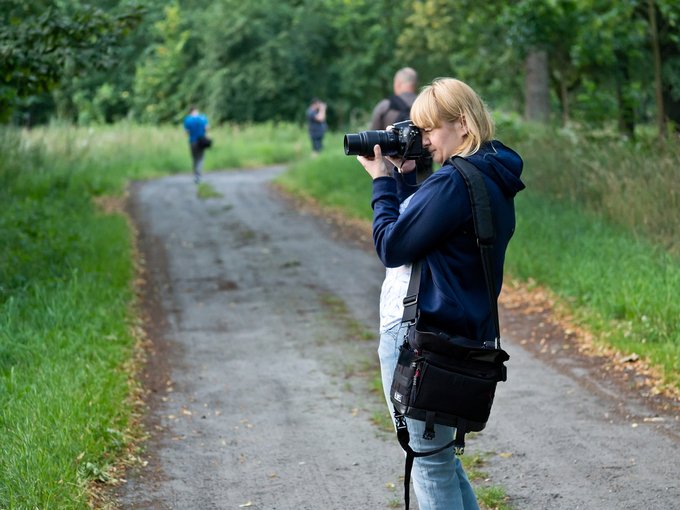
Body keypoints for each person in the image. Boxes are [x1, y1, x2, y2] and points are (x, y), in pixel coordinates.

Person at [356, 77, 525, 510]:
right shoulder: (490, 175)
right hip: (462, 334)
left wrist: (381, 181)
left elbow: (392, 246)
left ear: (463, 124)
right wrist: (406, 179)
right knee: (442, 461)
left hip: (423, 339)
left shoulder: (453, 180)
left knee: (431, 466)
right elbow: (434, 230)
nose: (424, 140)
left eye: (431, 130)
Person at [183, 106, 209, 183]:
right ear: (196, 110)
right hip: (202, 141)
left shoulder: (187, 120)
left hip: (193, 141)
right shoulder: (203, 118)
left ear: (190, 112)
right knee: (201, 158)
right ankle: (198, 174)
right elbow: (207, 128)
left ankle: (195, 175)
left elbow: (186, 132)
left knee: (194, 158)